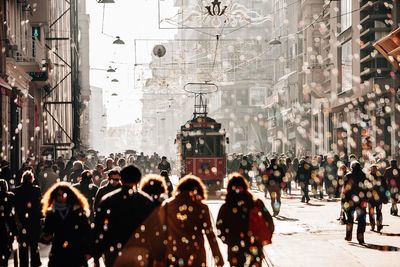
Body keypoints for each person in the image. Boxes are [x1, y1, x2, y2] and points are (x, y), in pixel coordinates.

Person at [151, 175, 223, 267]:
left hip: (173, 255)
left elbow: (160, 234)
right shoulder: (201, 207)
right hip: (196, 256)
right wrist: (218, 259)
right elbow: (210, 234)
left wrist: (157, 258)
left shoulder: (167, 206)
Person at [94, 165, 155, 267]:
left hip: (113, 249)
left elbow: (99, 227)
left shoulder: (108, 200)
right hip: (139, 249)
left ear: (121, 179)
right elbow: (153, 228)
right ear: (138, 180)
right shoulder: (146, 201)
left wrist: (96, 254)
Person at [217, 173, 274, 267]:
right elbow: (269, 221)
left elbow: (219, 227)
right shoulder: (256, 203)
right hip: (255, 246)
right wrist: (262, 239)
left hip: (235, 249)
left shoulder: (226, 207)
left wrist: (229, 241)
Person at [40, 182, 92, 267]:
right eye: (58, 195)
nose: (61, 197)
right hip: (58, 249)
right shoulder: (52, 212)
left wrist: (88, 251)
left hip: (75, 249)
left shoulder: (77, 210)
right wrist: (45, 237)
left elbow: (86, 231)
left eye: (63, 195)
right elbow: (48, 231)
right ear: (55, 196)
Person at [14, 171, 42, 267]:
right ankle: (35, 262)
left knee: (23, 245)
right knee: (34, 244)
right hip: (34, 220)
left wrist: (17, 221)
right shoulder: (36, 190)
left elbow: (16, 207)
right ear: (32, 178)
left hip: (22, 221)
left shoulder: (17, 190)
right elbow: (39, 205)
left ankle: (24, 263)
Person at [342, 161, 368, 244]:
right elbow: (367, 189)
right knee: (361, 219)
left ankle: (348, 236)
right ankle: (360, 238)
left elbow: (345, 190)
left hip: (350, 200)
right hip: (361, 200)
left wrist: (344, 201)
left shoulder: (348, 176)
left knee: (350, 218)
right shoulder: (364, 176)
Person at [0, 179, 18, 267]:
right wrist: (15, 231)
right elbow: (12, 216)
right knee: (6, 248)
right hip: (6, 226)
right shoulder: (10, 196)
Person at [367, 164, 388, 232]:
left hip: (378, 198)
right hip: (371, 198)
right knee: (372, 212)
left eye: (375, 168)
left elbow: (385, 188)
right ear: (371, 169)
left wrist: (386, 196)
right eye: (373, 168)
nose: (374, 169)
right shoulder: (368, 177)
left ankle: (378, 225)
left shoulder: (381, 177)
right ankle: (373, 225)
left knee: (378, 212)